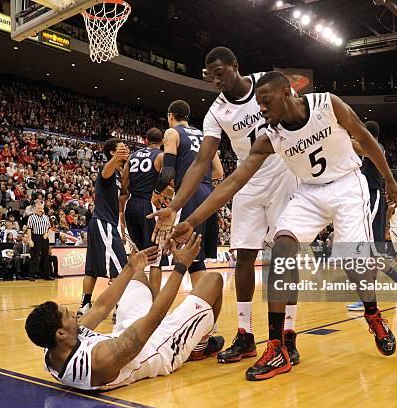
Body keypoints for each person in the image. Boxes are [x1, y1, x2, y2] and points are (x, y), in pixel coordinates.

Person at [168, 72, 397, 381]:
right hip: (308, 191)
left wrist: (389, 180)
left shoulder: (327, 104)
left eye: (265, 102)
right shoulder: (270, 137)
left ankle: (373, 314)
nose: (260, 110)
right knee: (282, 247)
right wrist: (192, 219)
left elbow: (365, 138)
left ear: (286, 94)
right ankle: (277, 345)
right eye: (258, 104)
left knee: (353, 264)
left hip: (347, 185)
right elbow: (235, 181)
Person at [148, 47, 300, 365]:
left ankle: (288, 335)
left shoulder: (265, 83)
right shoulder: (216, 112)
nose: (216, 79)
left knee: (284, 257)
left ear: (235, 66)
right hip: (246, 180)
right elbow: (202, 161)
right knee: (243, 256)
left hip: (283, 173)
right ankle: (245, 335)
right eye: (210, 75)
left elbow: (299, 113)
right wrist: (174, 205)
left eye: (220, 72)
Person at [26, 234, 224, 390]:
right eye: (68, 315)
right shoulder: (99, 361)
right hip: (160, 347)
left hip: (124, 334)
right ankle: (199, 348)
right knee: (213, 281)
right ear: (60, 334)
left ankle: (136, 272)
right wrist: (181, 266)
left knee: (137, 276)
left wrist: (130, 267)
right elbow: (155, 317)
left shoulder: (54, 346)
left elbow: (101, 308)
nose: (75, 317)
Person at [150, 100, 223, 288]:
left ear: (170, 116)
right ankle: (202, 304)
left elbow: (167, 172)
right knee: (195, 256)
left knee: (179, 251)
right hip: (207, 195)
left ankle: (160, 308)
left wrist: (157, 191)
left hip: (188, 194)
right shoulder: (203, 135)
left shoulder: (172, 132)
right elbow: (219, 171)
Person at [346, 121, 397, 312]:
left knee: (371, 252)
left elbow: (354, 145)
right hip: (367, 198)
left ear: (366, 133)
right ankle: (369, 298)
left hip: (373, 196)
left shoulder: (375, 146)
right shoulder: (374, 146)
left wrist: (340, 132)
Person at [78, 138, 129, 317]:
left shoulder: (118, 174)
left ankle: (84, 305)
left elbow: (123, 196)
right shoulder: (107, 170)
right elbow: (105, 172)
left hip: (105, 223)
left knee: (91, 269)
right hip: (103, 222)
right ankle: (119, 307)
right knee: (121, 268)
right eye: (121, 148)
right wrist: (115, 158)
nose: (126, 149)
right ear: (112, 152)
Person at [120, 128, 167, 292]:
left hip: (131, 205)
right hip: (148, 206)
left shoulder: (132, 156)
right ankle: (154, 304)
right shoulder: (160, 156)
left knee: (136, 254)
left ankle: (129, 297)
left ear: (146, 140)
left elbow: (124, 181)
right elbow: (168, 179)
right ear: (161, 142)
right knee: (156, 259)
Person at [26, 202, 53, 281]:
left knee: (46, 257)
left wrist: (47, 235)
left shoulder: (46, 217)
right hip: (35, 237)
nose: (40, 210)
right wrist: (30, 240)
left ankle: (47, 275)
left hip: (44, 238)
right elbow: (29, 229)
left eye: (41, 208)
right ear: (35, 209)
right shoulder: (31, 217)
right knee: (35, 257)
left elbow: (50, 228)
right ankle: (32, 275)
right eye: (38, 208)